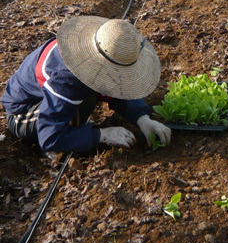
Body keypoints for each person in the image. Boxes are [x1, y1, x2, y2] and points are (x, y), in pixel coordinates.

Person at [1, 16, 171, 157]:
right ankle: (64, 145)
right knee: (81, 97)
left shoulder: (99, 51)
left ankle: (75, 127)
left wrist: (142, 118)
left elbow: (116, 85)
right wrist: (102, 135)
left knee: (89, 92)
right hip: (22, 114)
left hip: (56, 97)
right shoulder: (68, 78)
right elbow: (49, 137)